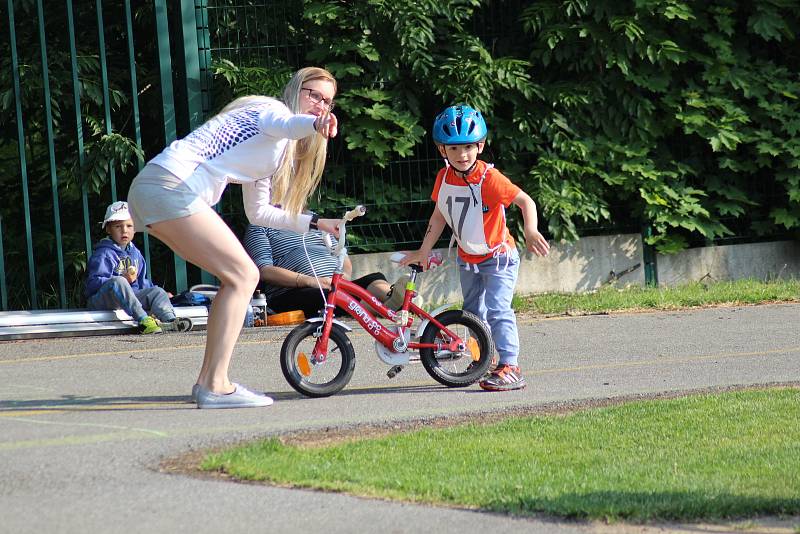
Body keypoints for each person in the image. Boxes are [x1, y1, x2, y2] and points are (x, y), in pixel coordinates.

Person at [127, 67, 342, 409]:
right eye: (312, 94)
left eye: (326, 102)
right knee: (245, 275)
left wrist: (315, 222)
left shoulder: (274, 149)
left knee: (236, 277)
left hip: (156, 189)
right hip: (171, 186)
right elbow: (290, 125)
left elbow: (259, 213)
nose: (318, 104)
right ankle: (216, 385)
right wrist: (315, 125)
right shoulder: (273, 112)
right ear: (295, 90)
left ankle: (209, 384)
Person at [399, 104, 550, 392]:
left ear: (480, 145)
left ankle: (511, 366)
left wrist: (530, 230)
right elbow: (439, 216)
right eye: (453, 148)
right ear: (442, 150)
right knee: (472, 313)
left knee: (497, 309)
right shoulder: (444, 179)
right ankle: (485, 360)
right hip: (468, 259)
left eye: (468, 146)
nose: (462, 154)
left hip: (498, 258)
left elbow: (525, 201)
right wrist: (423, 250)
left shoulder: (489, 178)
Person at [243, 224, 408, 319]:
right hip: (291, 292)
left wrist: (343, 280)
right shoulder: (260, 226)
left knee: (374, 278)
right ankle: (392, 310)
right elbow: (265, 271)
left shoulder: (313, 220)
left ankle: (391, 299)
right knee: (335, 297)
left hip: (331, 284)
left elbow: (343, 257)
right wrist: (311, 281)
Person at [85, 201, 177, 334]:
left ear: (135, 228)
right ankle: (144, 320)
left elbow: (142, 282)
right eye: (118, 226)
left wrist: (158, 295)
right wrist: (122, 279)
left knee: (157, 291)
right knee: (119, 282)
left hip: (129, 298)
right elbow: (92, 285)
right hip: (102, 300)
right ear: (108, 229)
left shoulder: (135, 253)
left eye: (129, 226)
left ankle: (170, 320)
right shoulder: (104, 253)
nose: (124, 230)